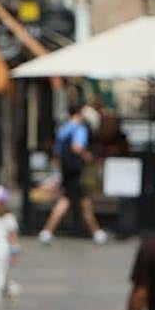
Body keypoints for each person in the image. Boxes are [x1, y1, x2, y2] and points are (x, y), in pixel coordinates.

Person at [38, 103, 108, 246]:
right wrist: (87, 156)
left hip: (66, 169)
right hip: (75, 170)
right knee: (83, 202)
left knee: (67, 200)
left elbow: (57, 150)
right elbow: (77, 147)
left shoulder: (64, 128)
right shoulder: (79, 129)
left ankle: (47, 232)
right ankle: (97, 233)